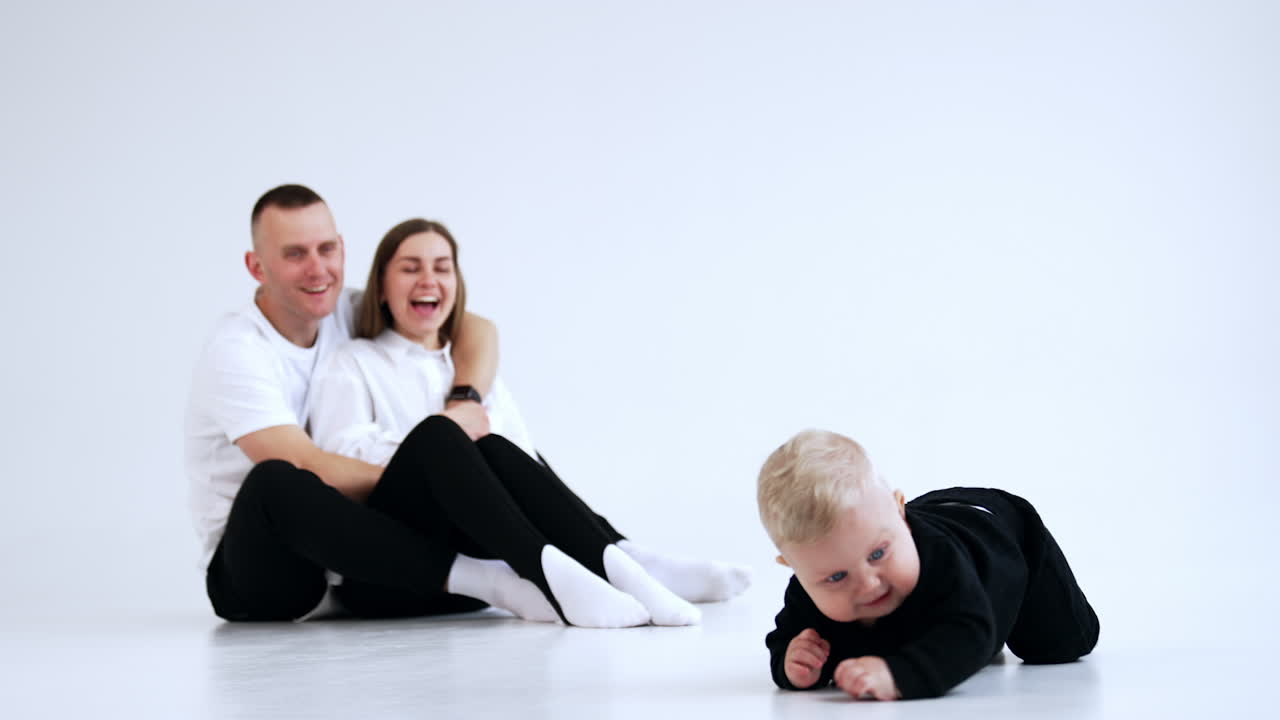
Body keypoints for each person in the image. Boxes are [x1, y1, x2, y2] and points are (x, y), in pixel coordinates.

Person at [307, 218, 753, 627]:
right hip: (399, 564)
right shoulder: (351, 363)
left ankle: (620, 561)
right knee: (442, 435)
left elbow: (518, 461)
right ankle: (567, 571)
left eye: (442, 268)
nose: (428, 280)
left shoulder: (470, 368)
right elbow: (341, 459)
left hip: (482, 565)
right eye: (410, 268)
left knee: (501, 448)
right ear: (381, 288)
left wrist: (469, 457)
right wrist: (445, 452)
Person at [186, 184, 546, 623]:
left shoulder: (339, 308)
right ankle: (484, 580)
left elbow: (474, 326)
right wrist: (435, 478)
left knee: (507, 456)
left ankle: (604, 551)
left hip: (366, 572)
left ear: (342, 248)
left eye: (326, 249)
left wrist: (465, 399)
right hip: (272, 576)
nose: (317, 270)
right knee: (277, 482)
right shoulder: (238, 351)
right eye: (295, 254)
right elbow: (307, 465)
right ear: (257, 267)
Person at [757, 429, 1099, 700]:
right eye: (836, 577)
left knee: (1059, 646)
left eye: (878, 554)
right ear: (793, 568)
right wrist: (793, 663)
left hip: (1002, 532)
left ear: (899, 512)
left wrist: (898, 676)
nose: (868, 584)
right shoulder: (811, 584)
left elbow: (972, 632)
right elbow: (785, 637)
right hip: (930, 526)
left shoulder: (944, 561)